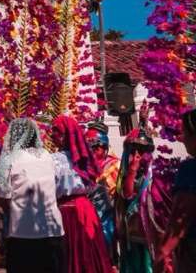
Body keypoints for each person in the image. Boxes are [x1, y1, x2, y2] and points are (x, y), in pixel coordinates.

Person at [0, 118, 64, 273]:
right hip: (52, 231)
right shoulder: (48, 156)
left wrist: (12, 211)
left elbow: (2, 195)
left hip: (22, 233)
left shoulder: (9, 159)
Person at [49, 115, 113, 273]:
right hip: (85, 209)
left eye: (56, 132)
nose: (52, 135)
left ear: (65, 135)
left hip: (67, 212)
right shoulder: (85, 158)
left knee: (74, 254)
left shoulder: (53, 160)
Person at [155, 108, 196, 272]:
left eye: (185, 133)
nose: (182, 139)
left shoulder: (190, 169)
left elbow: (180, 219)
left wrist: (163, 252)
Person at [116, 126, 156, 273]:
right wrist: (132, 171)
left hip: (149, 233)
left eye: (142, 150)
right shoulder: (127, 172)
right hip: (132, 233)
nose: (137, 154)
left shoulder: (154, 172)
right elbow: (127, 194)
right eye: (133, 150)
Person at [86, 119, 121, 264]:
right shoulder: (84, 165)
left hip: (108, 216)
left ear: (105, 147)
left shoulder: (114, 165)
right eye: (90, 148)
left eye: (97, 148)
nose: (93, 151)